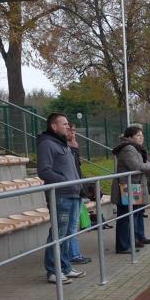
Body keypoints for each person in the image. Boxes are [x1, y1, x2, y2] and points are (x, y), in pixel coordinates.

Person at [37, 112, 86, 284]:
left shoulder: (63, 144)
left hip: (73, 194)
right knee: (58, 233)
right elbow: (44, 170)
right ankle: (53, 271)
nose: (68, 127)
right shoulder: (47, 144)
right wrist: (65, 181)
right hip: (60, 195)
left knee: (67, 233)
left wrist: (79, 185)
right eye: (64, 124)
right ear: (54, 126)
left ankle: (65, 267)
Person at [111, 125, 150, 254]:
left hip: (133, 186)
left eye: (142, 135)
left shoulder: (134, 148)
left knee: (132, 215)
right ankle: (123, 246)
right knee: (126, 217)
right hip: (127, 187)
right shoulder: (128, 148)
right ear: (130, 137)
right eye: (138, 135)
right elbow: (135, 166)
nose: (141, 138)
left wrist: (147, 165)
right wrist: (149, 166)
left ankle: (130, 242)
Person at [65, 122, 91, 265]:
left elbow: (77, 168)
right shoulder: (63, 148)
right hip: (68, 190)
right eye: (69, 130)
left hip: (77, 189)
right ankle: (72, 255)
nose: (72, 133)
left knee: (73, 224)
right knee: (69, 225)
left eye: (74, 130)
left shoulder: (73, 147)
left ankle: (73, 254)